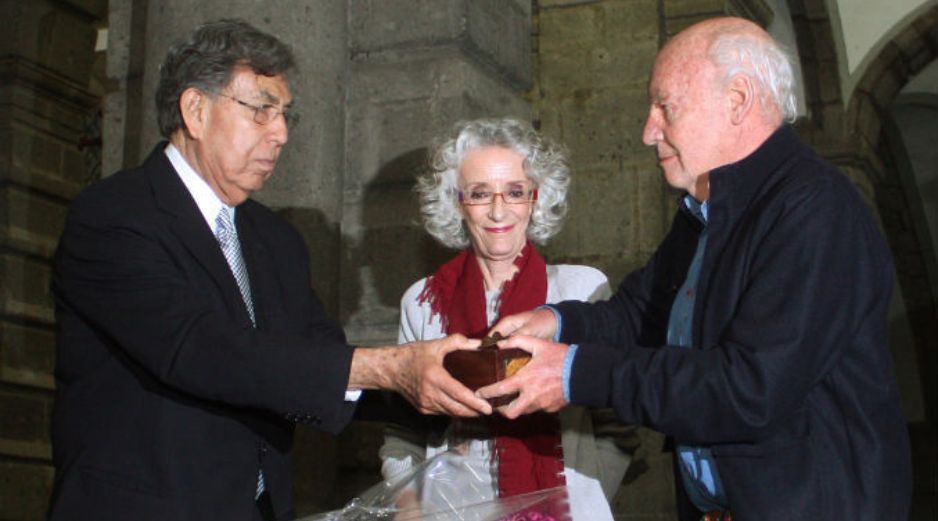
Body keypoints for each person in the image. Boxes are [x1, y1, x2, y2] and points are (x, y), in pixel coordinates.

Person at [48, 19, 490, 521]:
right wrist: (391, 365)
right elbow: (200, 350)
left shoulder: (275, 240)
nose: (280, 134)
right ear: (196, 110)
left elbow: (318, 362)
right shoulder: (112, 216)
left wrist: (455, 387)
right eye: (262, 110)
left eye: (285, 115)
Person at [477, 16, 913, 521]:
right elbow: (641, 315)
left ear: (738, 100)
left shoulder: (815, 209)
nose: (647, 131)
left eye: (665, 106)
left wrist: (574, 373)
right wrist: (556, 322)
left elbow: (750, 390)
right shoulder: (710, 208)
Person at [378, 118, 634, 520]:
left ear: (535, 198)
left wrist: (591, 493)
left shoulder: (582, 291)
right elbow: (403, 431)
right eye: (480, 193)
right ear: (457, 202)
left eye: (515, 192)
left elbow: (618, 420)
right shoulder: (421, 303)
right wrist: (409, 505)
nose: (499, 210)